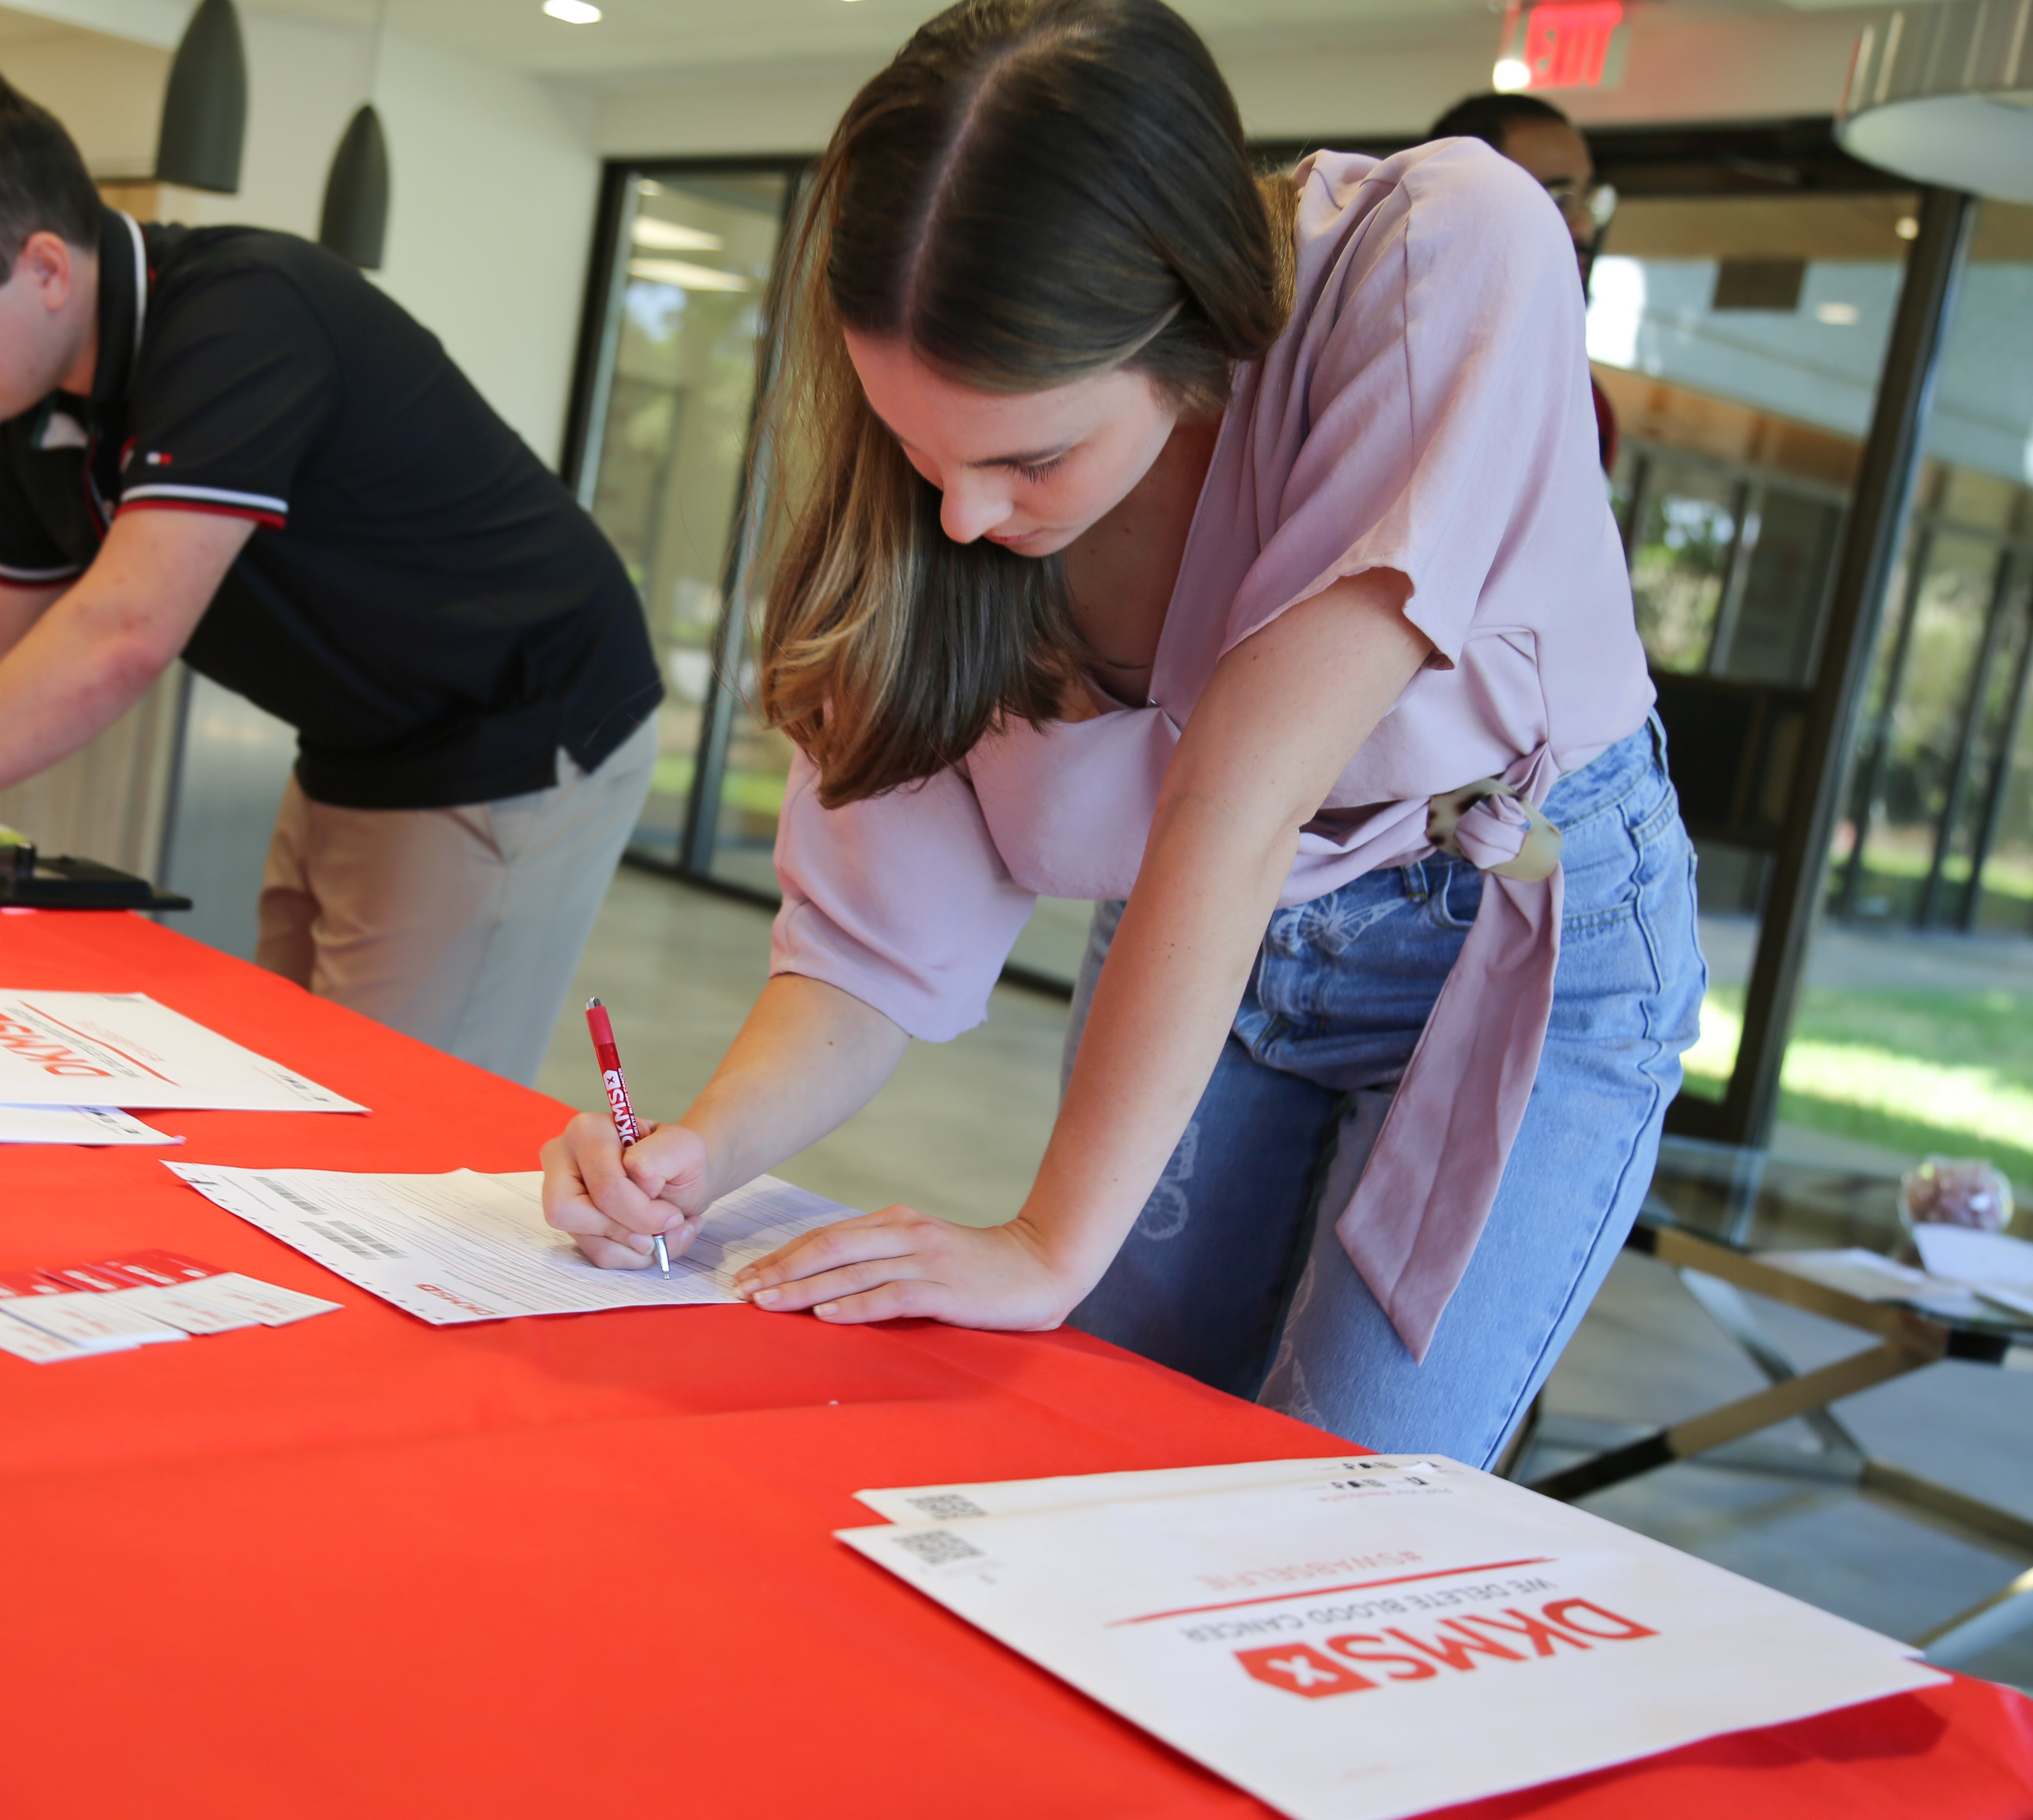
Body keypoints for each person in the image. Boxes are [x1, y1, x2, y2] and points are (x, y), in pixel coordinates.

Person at [539, 0, 1701, 1468]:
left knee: (1331, 1497)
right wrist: (697, 1155)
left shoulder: (1444, 254)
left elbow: (1239, 805)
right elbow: (865, 952)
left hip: (1506, 935)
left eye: (1031, 457)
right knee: (1108, 1451)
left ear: (1192, 319)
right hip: (1198, 928)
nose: (966, 514)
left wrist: (1045, 1243)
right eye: (918, 447)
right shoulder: (942, 508)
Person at [0, 66, 662, 1086]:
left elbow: (121, 635)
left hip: (516, 727)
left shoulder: (243, 317)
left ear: (45, 268)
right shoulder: (30, 406)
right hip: (360, 736)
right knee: (289, 1078)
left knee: (385, 1108)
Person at [1426, 91, 1619, 473]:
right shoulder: (1398, 357)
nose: (1583, 227)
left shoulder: (1587, 406)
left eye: (1589, 198)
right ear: (1464, 204)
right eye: (1559, 200)